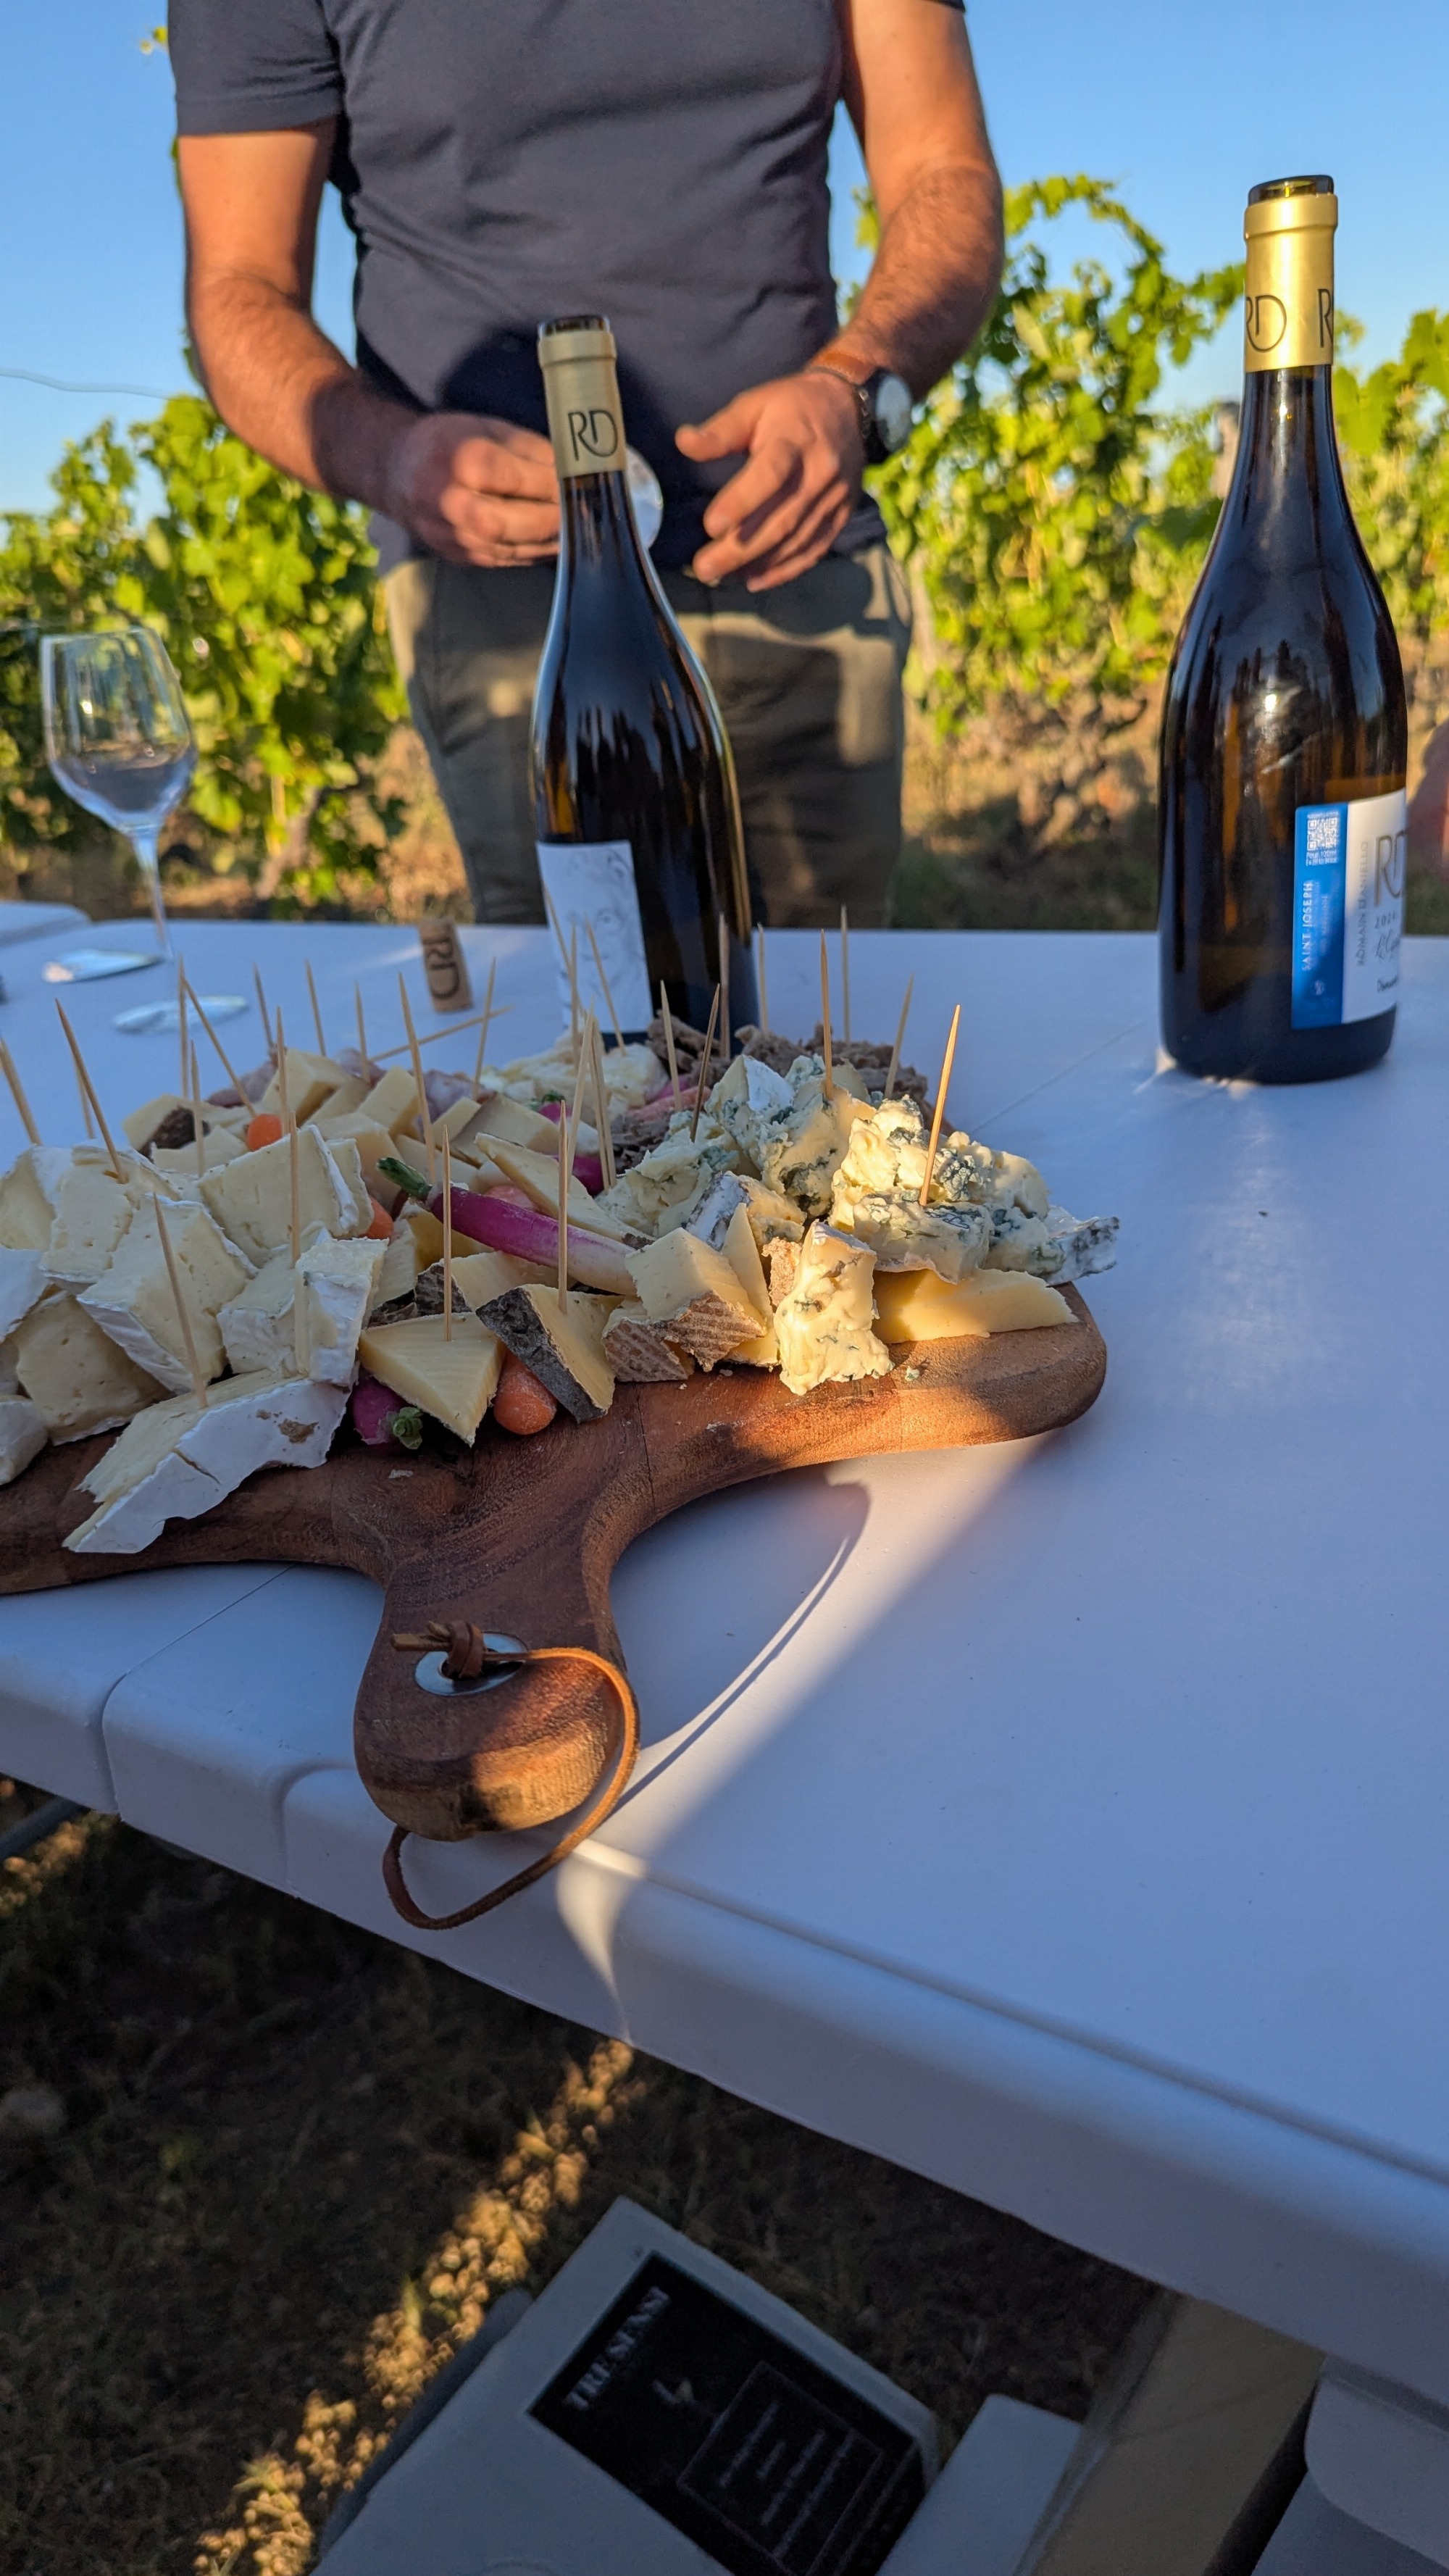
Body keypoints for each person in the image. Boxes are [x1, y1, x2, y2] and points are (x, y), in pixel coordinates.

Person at [168, 0, 1003, 930]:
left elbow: (941, 169)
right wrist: (394, 461)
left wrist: (857, 388)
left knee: (829, 1005)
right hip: (509, 600)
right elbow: (239, 288)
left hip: (795, 556)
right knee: (581, 1006)